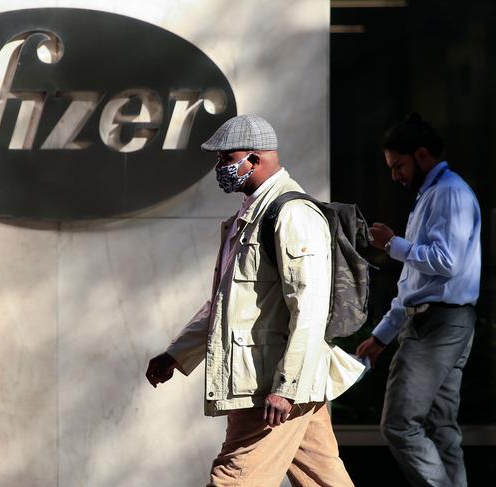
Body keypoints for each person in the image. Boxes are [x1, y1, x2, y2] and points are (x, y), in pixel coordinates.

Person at [146, 114, 364, 487]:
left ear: (256, 158)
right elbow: (224, 305)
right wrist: (177, 354)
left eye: (226, 158)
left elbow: (309, 308)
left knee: (233, 479)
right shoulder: (249, 216)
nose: (219, 167)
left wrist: (287, 386)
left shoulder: (292, 214)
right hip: (277, 384)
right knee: (324, 480)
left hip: (270, 387)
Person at [356, 113, 481, 487]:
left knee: (399, 424)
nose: (395, 175)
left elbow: (446, 262)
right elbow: (416, 283)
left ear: (422, 154)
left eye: (398, 165)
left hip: (438, 324)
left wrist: (391, 244)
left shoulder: (448, 193)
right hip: (442, 320)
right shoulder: (435, 193)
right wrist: (382, 336)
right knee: (440, 426)